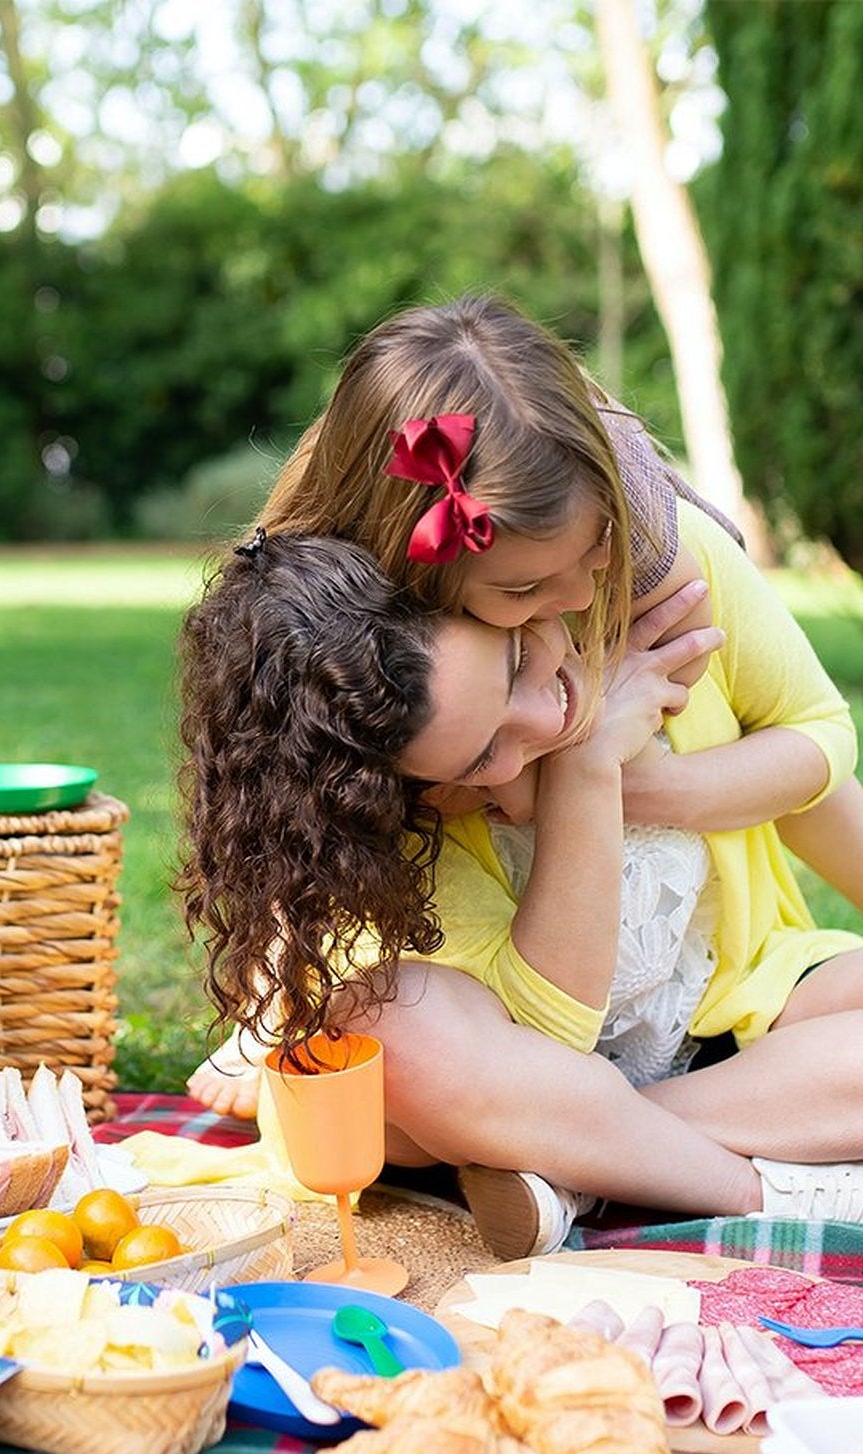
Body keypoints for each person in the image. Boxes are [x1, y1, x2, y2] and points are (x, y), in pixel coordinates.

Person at [184, 294, 863, 1130]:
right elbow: (307, 839)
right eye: (521, 592)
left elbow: (821, 738)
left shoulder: (666, 571)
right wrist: (575, 770)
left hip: (726, 988)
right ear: (415, 575)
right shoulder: (385, 690)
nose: (578, 595)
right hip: (515, 1029)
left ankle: (612, 1145)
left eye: (596, 549)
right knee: (392, 1068)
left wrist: (632, 784)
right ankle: (617, 1135)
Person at [130, 525, 863, 1258]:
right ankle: (763, 1189)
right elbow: (550, 1043)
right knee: (389, 1026)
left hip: (722, 1018)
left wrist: (645, 782)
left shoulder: (656, 586)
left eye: (518, 662)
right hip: (506, 1072)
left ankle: (581, 1171)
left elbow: (818, 764)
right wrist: (586, 768)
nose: (548, 721)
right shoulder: (395, 766)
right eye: (483, 754)